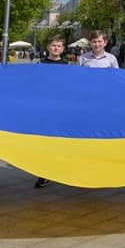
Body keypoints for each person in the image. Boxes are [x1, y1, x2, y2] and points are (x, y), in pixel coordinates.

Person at [34, 36, 69, 188]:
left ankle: (55, 170)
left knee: (58, 141)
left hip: (59, 108)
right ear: (48, 47)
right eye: (53, 45)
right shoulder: (40, 64)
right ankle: (43, 173)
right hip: (43, 108)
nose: (56, 48)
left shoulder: (67, 65)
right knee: (43, 141)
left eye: (59, 46)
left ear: (62, 48)